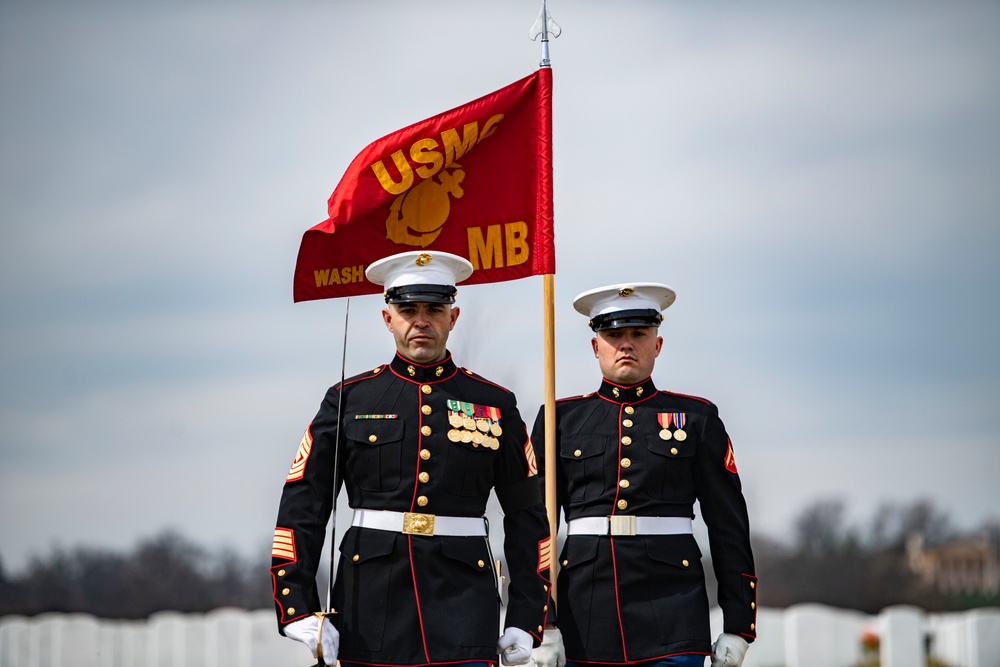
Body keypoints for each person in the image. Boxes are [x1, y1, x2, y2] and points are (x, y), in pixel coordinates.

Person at [270, 250, 552, 667]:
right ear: (388, 319)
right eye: (407, 309)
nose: (421, 320)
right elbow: (303, 507)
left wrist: (528, 618)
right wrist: (297, 606)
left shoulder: (495, 403)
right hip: (370, 604)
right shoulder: (349, 399)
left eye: (434, 309)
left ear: (452, 318)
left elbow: (529, 519)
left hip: (465, 606)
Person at [530, 283, 757, 667]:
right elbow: (536, 526)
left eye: (638, 334)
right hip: (584, 613)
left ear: (658, 344)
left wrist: (738, 625)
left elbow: (727, 525)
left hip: (673, 611)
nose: (626, 344)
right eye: (614, 335)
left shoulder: (697, 419)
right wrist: (541, 620)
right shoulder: (559, 420)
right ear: (595, 346)